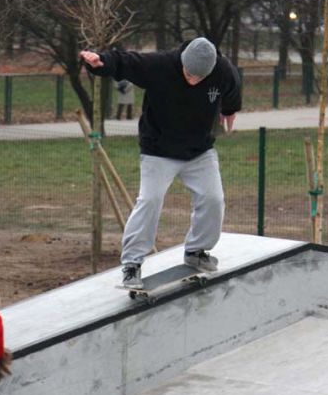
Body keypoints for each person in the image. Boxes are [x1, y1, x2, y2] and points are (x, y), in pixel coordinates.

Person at [80, 37, 241, 289]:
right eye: (189, 74)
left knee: (213, 199)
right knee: (150, 200)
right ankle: (132, 263)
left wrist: (231, 109)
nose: (193, 80)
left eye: (200, 78)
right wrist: (100, 63)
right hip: (158, 150)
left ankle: (197, 251)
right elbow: (127, 62)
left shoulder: (222, 70)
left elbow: (233, 89)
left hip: (199, 150)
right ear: (182, 63)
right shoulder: (161, 65)